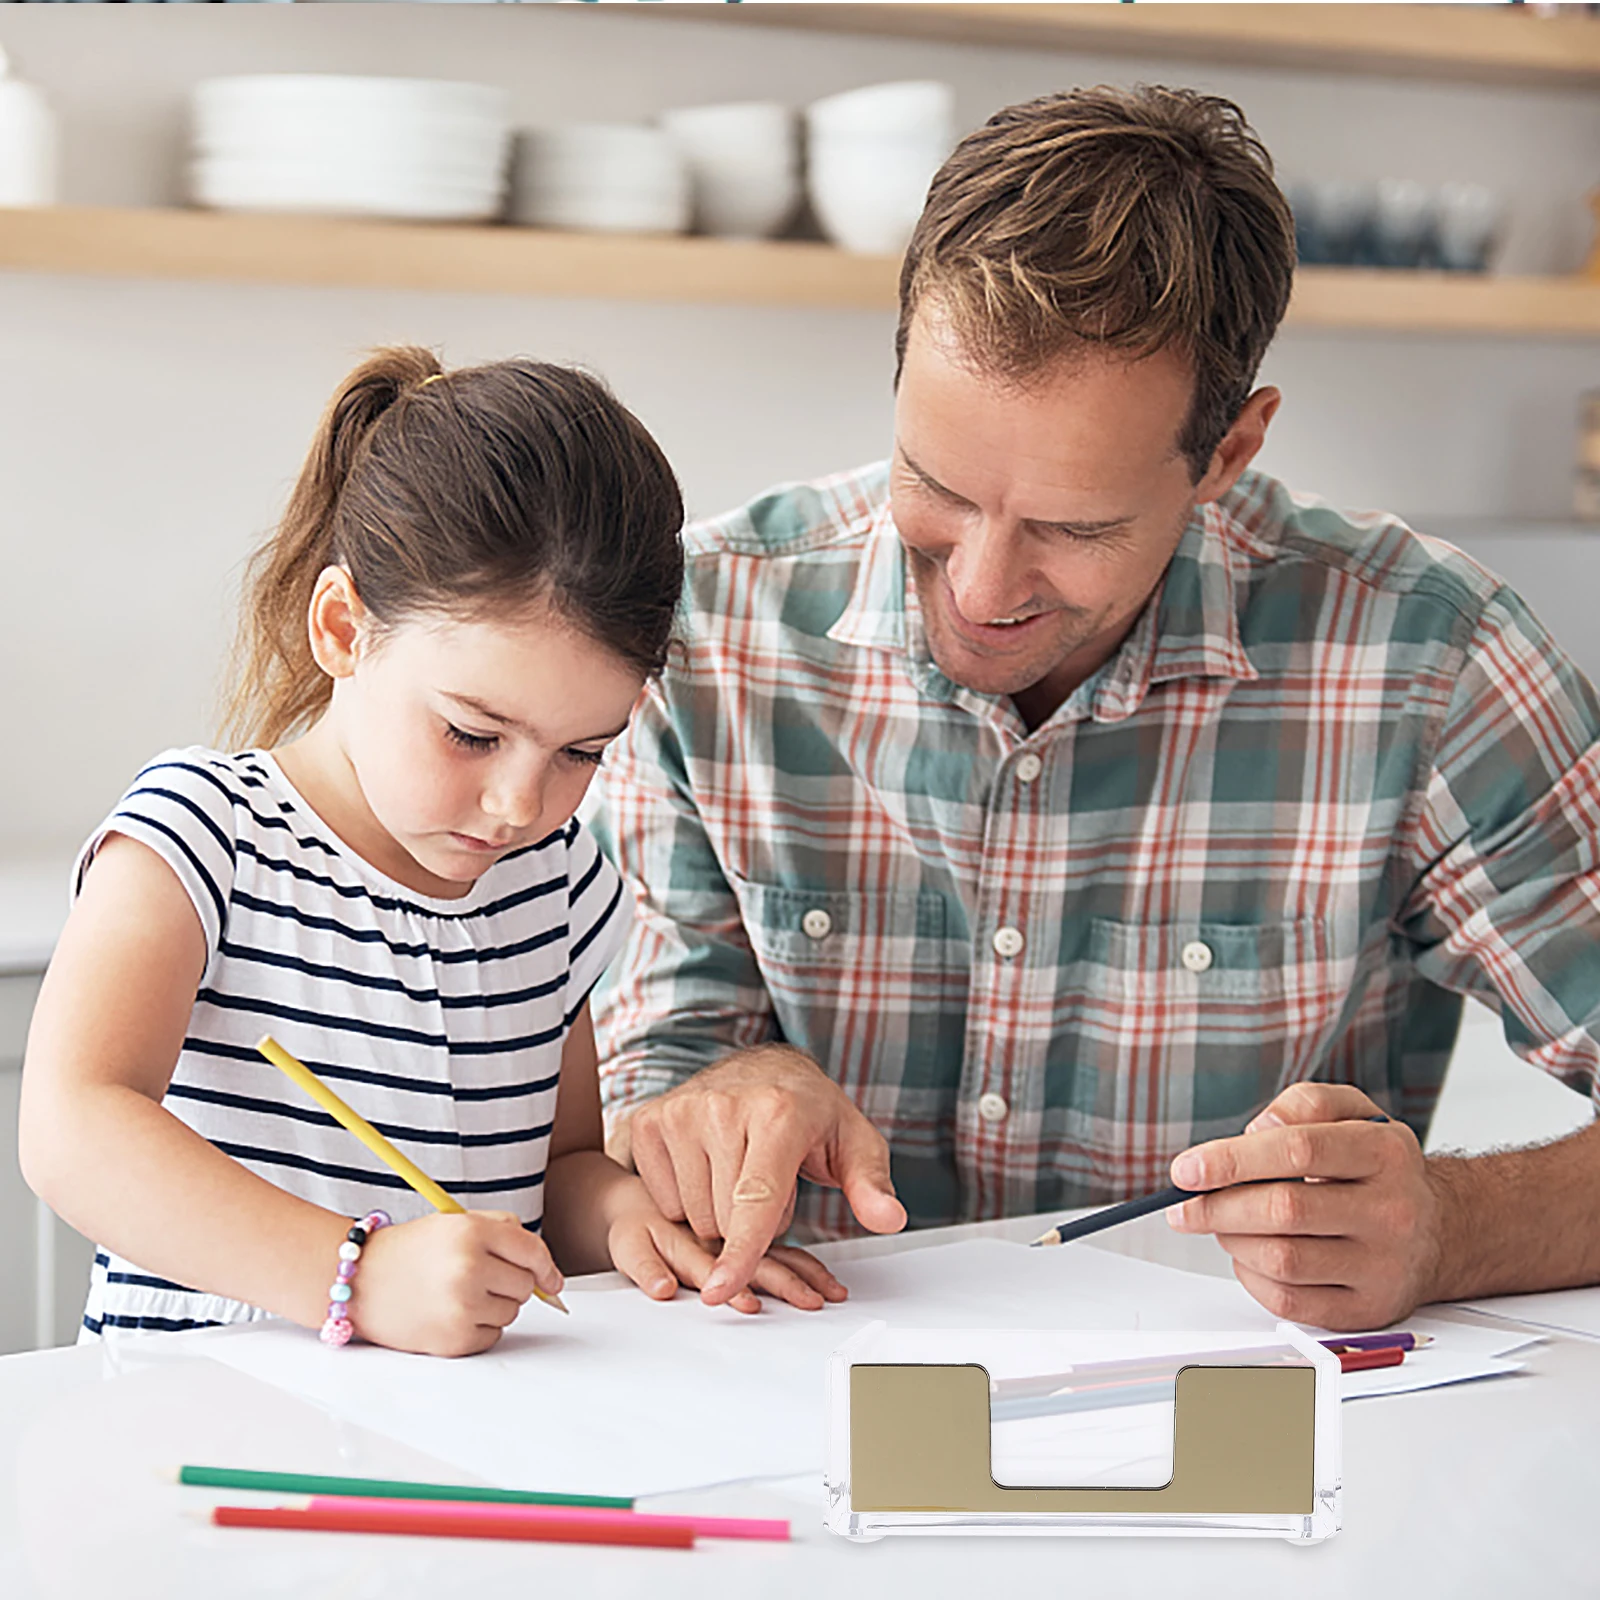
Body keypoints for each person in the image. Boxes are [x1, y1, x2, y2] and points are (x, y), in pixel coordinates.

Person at [591, 86, 1600, 1332]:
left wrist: (1452, 1228)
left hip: (1257, 1453)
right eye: (936, 485)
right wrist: (712, 1092)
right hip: (785, 1415)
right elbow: (647, 1067)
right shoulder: (708, 630)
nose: (979, 586)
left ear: (1228, 451)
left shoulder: (1428, 661)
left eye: (1074, 527)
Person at [19, 347, 843, 1355]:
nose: (517, 803)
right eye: (470, 732)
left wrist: (633, 1224)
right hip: (200, 1426)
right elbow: (72, 1127)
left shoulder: (555, 889)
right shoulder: (202, 837)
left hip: (442, 1444)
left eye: (582, 750)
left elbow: (560, 1166)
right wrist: (354, 1278)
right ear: (342, 627)